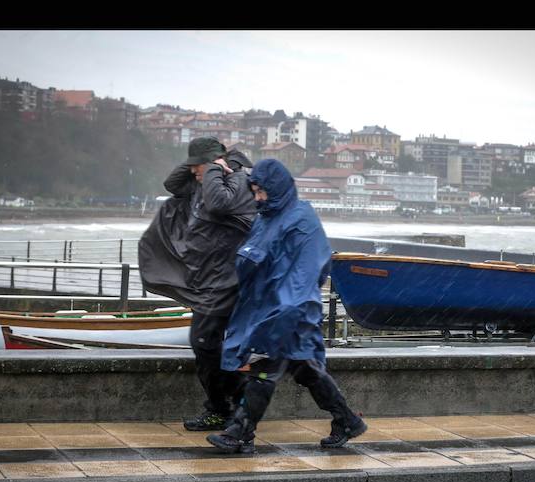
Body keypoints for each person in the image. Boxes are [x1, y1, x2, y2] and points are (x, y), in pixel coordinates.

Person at [206, 158, 367, 454]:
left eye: (261, 191)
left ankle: (241, 431)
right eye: (254, 191)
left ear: (276, 188)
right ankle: (346, 419)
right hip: (275, 309)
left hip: (290, 312)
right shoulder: (268, 216)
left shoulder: (301, 220)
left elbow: (305, 273)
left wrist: (282, 316)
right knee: (306, 369)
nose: (257, 198)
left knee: (265, 370)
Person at [138, 137, 258, 431]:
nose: (192, 172)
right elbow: (171, 182)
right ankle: (231, 405)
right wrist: (206, 163)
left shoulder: (236, 183)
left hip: (226, 280)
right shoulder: (202, 182)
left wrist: (222, 165)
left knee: (204, 341)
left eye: (197, 166)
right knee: (209, 343)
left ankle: (232, 403)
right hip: (209, 279)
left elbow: (219, 205)